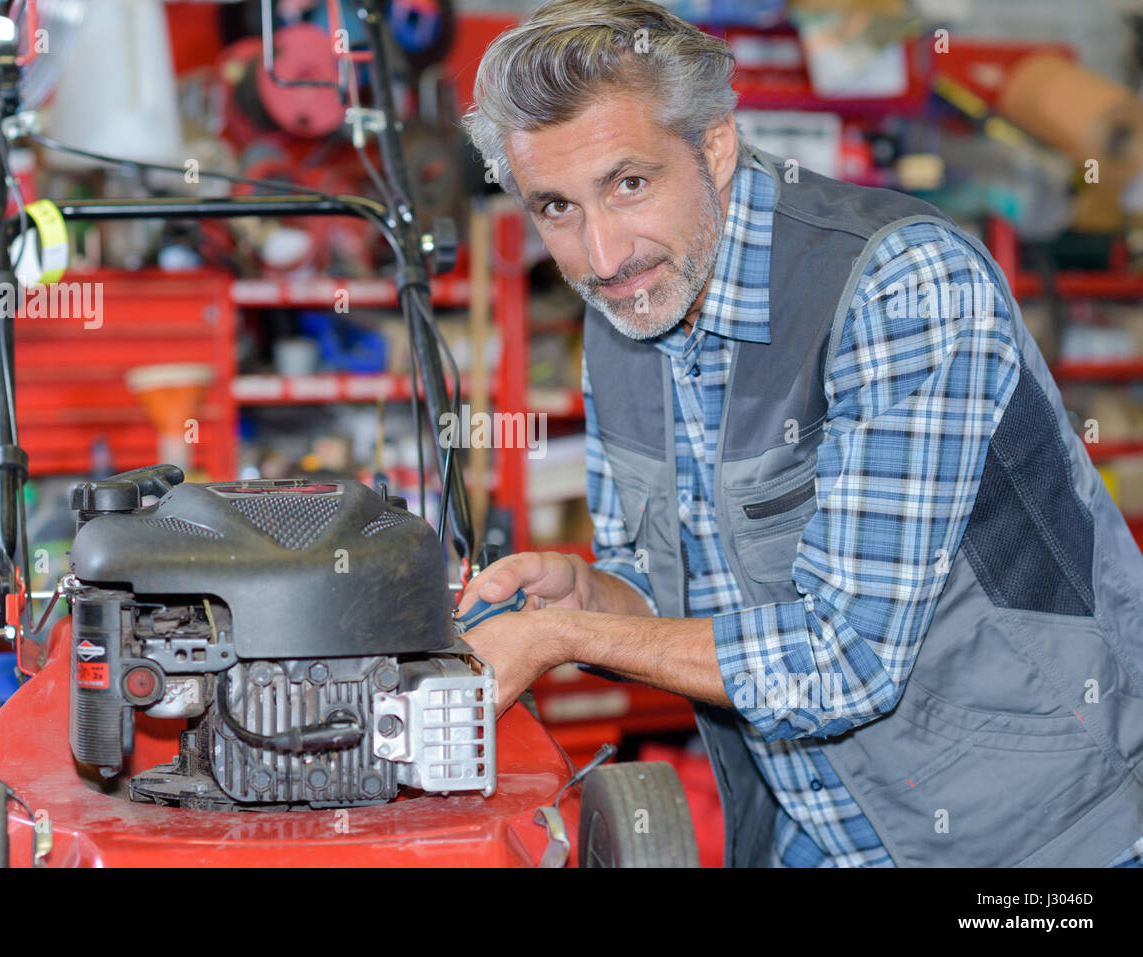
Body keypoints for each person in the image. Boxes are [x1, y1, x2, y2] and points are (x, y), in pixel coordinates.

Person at [456, 0, 1143, 867]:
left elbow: (843, 660)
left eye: (628, 184)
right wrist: (589, 595)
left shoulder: (899, 285)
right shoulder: (624, 308)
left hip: (1040, 846)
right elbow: (673, 583)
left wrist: (568, 639)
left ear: (713, 146)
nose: (600, 254)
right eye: (555, 206)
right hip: (816, 835)